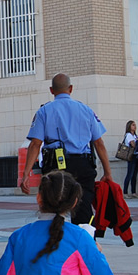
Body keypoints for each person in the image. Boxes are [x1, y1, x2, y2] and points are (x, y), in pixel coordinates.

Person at [20, 73, 113, 225]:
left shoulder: (44, 112)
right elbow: (99, 143)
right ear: (71, 88)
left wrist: (25, 174)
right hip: (83, 165)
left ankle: (55, 243)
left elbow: (35, 144)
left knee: (53, 208)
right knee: (83, 211)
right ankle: (86, 244)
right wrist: (108, 172)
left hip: (56, 167)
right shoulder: (86, 110)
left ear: (51, 90)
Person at [122, 120, 138, 198]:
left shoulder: (136, 136)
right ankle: (125, 192)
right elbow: (133, 144)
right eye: (133, 125)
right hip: (131, 156)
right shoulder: (129, 135)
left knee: (134, 175)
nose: (134, 126)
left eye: (135, 125)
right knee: (130, 174)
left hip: (136, 156)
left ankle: (133, 191)